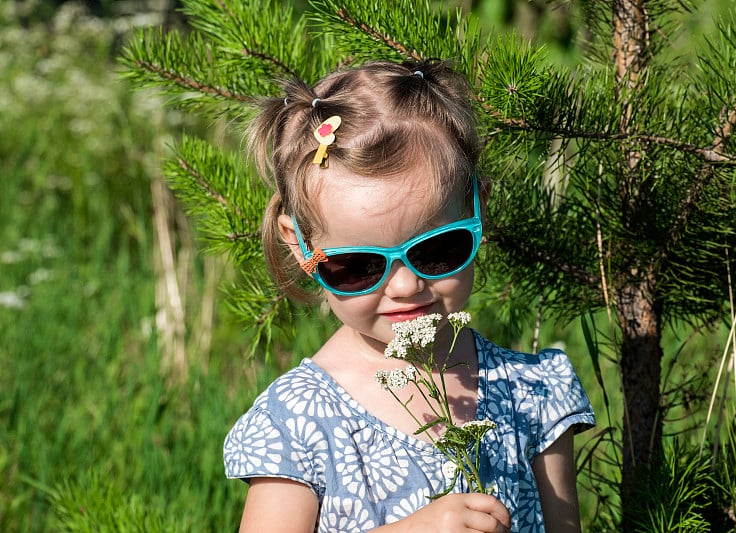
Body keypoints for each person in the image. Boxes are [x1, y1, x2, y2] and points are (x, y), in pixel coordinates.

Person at [224, 58, 595, 532]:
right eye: (358, 266)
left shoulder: (530, 394)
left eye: (438, 249)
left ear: (476, 208)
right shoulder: (298, 422)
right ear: (301, 247)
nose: (405, 287)